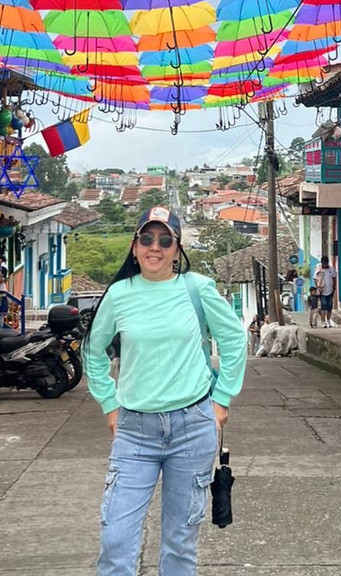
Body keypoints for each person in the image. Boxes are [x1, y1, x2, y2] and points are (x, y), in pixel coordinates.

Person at [85, 206, 247, 576]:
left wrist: (221, 399)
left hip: (192, 428)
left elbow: (234, 340)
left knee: (179, 542)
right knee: (116, 539)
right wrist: (109, 404)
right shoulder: (118, 295)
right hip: (134, 433)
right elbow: (93, 351)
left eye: (164, 240)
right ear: (134, 245)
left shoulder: (196, 289)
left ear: (177, 249)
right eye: (146, 238)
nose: (153, 247)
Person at [315, 256, 336, 328]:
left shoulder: (331, 269)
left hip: (330, 290)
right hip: (322, 291)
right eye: (323, 263)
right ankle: (323, 322)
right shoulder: (318, 268)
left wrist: (334, 288)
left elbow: (334, 278)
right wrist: (318, 288)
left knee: (329, 307)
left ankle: (328, 320)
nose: (324, 265)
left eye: (325, 263)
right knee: (323, 307)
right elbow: (315, 279)